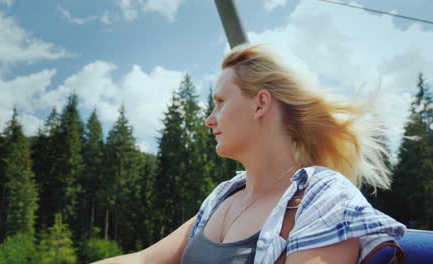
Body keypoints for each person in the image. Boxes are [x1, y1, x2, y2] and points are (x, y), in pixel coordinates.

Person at [93, 43, 405, 264]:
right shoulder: (223, 197)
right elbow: (146, 259)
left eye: (220, 102)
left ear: (260, 104)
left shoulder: (325, 197)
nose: (209, 119)